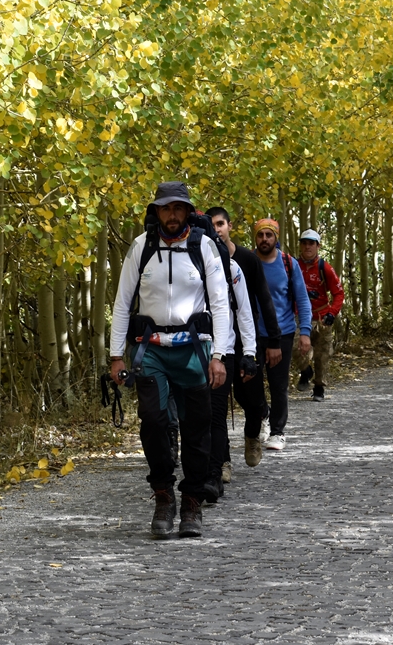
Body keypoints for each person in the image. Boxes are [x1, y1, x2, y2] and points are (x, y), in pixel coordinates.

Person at [109, 181, 232, 539]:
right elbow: (122, 302)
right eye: (166, 208)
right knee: (152, 420)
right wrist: (116, 355)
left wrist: (219, 356)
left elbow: (220, 304)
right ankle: (163, 495)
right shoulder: (141, 246)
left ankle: (192, 500)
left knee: (197, 428)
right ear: (157, 212)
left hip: (194, 350)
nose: (173, 215)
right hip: (151, 349)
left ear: (189, 211)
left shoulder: (205, 246)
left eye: (179, 208)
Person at [206, 206, 280, 479]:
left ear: (229, 226)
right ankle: (222, 461)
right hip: (215, 343)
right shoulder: (200, 259)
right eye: (212, 224)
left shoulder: (247, 260)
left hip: (245, 339)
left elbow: (262, 300)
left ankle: (251, 435)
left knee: (252, 401)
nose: (217, 229)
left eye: (221, 224)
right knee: (216, 405)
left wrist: (272, 340)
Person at [249, 218, 312, 454]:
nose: (264, 239)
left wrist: (304, 332)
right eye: (260, 235)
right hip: (252, 335)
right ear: (255, 238)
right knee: (252, 385)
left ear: (276, 237)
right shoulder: (247, 262)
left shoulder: (288, 263)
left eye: (269, 235)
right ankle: (263, 415)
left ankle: (277, 431)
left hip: (283, 332)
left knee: (279, 385)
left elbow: (302, 299)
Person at [294, 229, 345, 402]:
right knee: (294, 347)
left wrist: (332, 313)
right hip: (298, 316)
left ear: (318, 246)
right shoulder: (293, 265)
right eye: (304, 243)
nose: (307, 247)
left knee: (322, 355)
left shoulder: (325, 267)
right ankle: (305, 371)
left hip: (321, 316)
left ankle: (318, 387)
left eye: (311, 243)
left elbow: (339, 293)